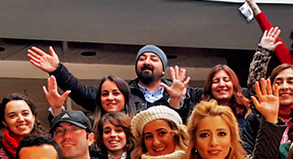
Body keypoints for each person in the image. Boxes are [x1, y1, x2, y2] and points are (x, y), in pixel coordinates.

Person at [28, 44, 179, 116]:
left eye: (154, 59)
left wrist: (178, 100)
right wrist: (57, 70)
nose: (147, 62)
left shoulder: (183, 95)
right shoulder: (120, 95)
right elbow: (81, 92)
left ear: (163, 69)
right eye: (142, 58)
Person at [164, 63, 251, 122]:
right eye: (216, 81)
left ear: (234, 85)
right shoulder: (199, 112)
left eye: (226, 80)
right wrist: (176, 99)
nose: (221, 84)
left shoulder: (247, 111)